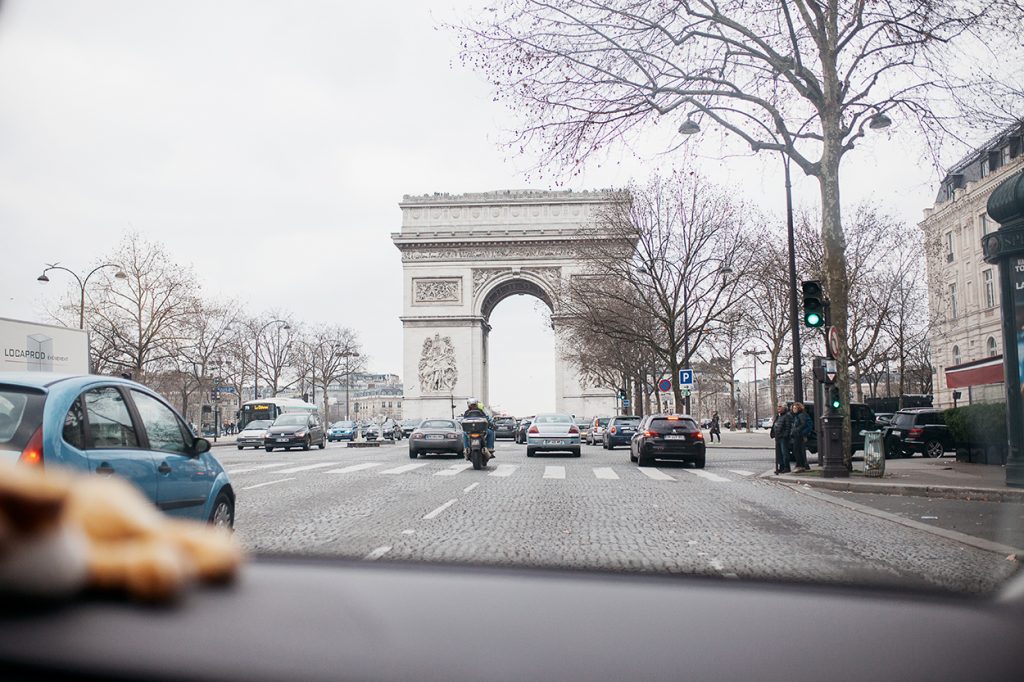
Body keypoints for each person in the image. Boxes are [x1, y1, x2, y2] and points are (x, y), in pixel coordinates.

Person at [769, 403, 792, 474]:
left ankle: (786, 467)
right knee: (779, 454)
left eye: (780, 406)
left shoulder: (787, 416)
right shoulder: (778, 416)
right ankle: (781, 467)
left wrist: (785, 435)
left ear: (784, 408)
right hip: (778, 437)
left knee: (784, 453)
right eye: (778, 406)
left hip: (783, 438)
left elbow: (788, 427)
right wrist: (772, 433)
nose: (778, 408)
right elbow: (774, 425)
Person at [788, 402, 811, 472]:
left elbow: (802, 424)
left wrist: (796, 430)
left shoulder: (800, 415)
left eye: (795, 408)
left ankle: (800, 465)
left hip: (799, 435)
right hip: (799, 434)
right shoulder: (799, 415)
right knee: (799, 450)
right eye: (793, 408)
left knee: (797, 450)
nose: (793, 409)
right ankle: (802, 465)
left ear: (798, 408)